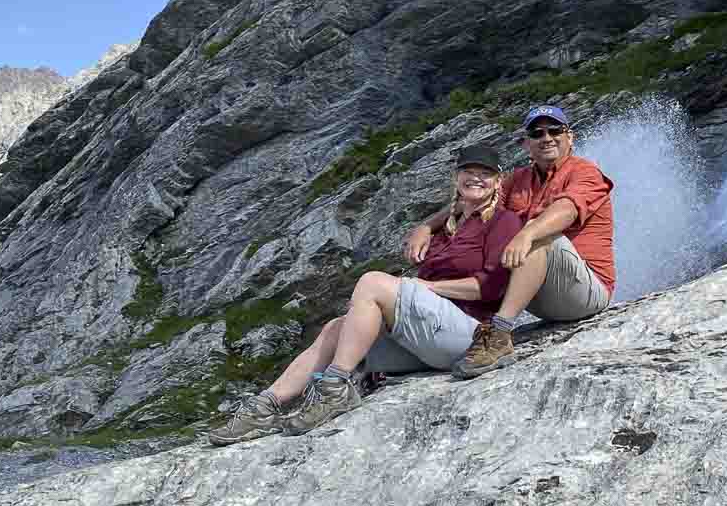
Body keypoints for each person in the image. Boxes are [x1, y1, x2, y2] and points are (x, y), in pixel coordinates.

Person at [209, 143, 522, 444]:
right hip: (431, 335)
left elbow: (489, 287)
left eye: (486, 173)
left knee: (373, 281)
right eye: (469, 170)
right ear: (456, 178)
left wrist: (425, 287)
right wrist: (426, 229)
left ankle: (335, 387)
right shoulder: (444, 228)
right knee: (338, 326)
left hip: (471, 337)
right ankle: (266, 406)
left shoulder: (503, 221)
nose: (477, 177)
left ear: (498, 182)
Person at [404, 104, 616, 378]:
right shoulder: (518, 179)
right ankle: (448, 334)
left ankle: (499, 334)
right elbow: (477, 200)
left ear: (570, 137)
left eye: (555, 130)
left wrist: (527, 233)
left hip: (584, 292)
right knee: (481, 236)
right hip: (535, 292)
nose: (547, 137)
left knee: (540, 235)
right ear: (526, 143)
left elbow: (567, 209)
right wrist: (426, 227)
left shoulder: (585, 172)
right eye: (537, 133)